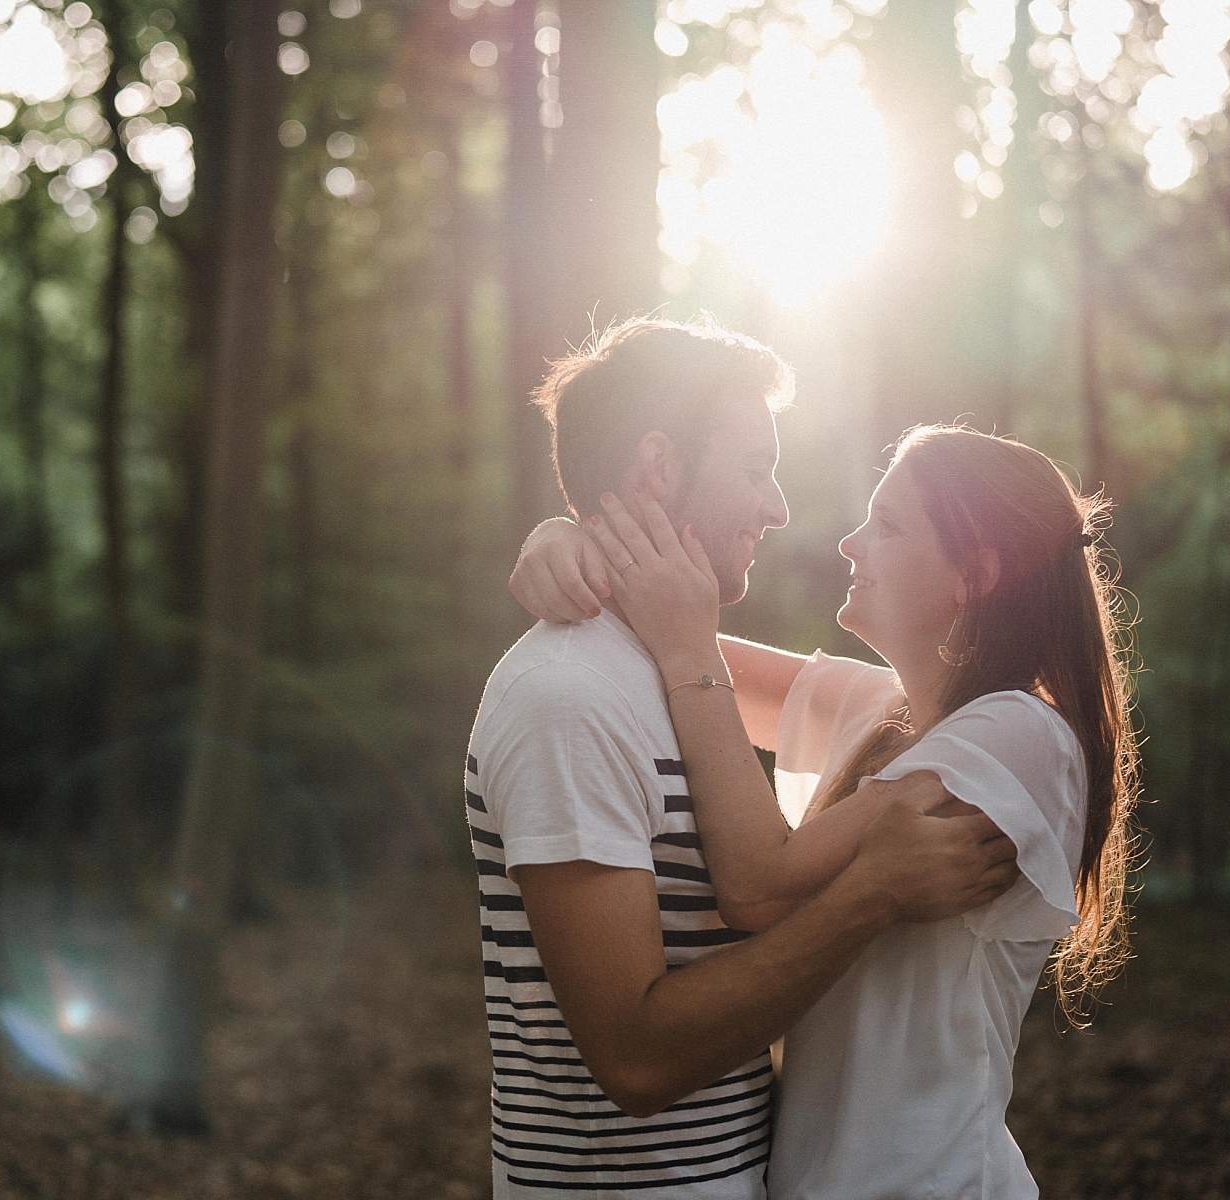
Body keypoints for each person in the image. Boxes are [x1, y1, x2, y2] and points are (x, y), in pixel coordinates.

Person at [511, 423, 1140, 1199]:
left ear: (972, 576)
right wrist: (567, 542)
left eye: (886, 525)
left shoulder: (1021, 737)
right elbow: (660, 626)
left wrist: (682, 645)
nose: (850, 544)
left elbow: (758, 882)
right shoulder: (884, 712)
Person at [469, 318, 1021, 1199]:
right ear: (658, 466)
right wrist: (871, 892)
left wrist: (577, 541)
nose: (780, 508)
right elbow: (637, 1062)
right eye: (756, 469)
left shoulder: (689, 676)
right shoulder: (567, 697)